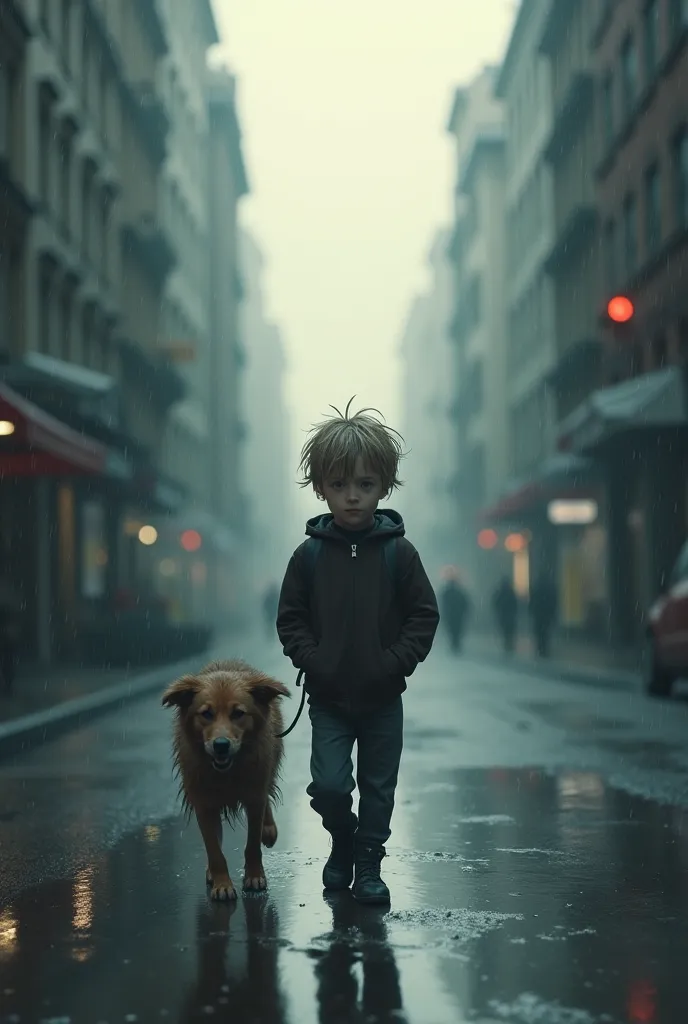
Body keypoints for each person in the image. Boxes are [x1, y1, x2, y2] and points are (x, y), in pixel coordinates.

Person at [276, 399, 439, 904]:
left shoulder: (399, 552)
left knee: (378, 788)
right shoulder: (307, 556)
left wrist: (393, 663)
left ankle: (369, 864)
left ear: (383, 487)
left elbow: (423, 615)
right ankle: (341, 838)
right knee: (328, 786)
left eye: (365, 486)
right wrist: (314, 658)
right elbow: (290, 620)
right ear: (320, 486)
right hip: (328, 699)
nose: (352, 498)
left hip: (383, 699)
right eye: (340, 485)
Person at [439, 572, 471, 653]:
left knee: (452, 630)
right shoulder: (459, 592)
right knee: (456, 630)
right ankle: (455, 643)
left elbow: (443, 604)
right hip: (457, 615)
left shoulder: (447, 592)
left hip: (451, 615)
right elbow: (465, 603)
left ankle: (454, 643)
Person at [529, 572, 557, 658]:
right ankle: (544, 649)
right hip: (546, 614)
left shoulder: (537, 587)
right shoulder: (550, 587)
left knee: (539, 632)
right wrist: (552, 613)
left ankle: (540, 648)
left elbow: (532, 600)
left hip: (539, 614)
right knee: (545, 632)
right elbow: (553, 601)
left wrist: (531, 610)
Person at [492, 576, 518, 654]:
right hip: (509, 615)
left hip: (504, 615)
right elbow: (515, 603)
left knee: (506, 630)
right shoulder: (510, 592)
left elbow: (496, 603)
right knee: (509, 630)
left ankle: (508, 643)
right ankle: (509, 643)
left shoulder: (501, 592)